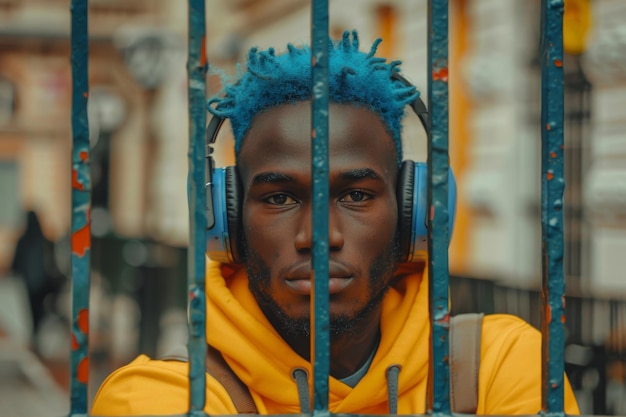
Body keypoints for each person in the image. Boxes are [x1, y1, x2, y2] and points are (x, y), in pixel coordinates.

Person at [92, 31, 579, 415]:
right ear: (226, 219)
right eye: (279, 197)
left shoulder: (501, 366)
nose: (318, 236)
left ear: (416, 215)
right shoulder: (159, 397)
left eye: (357, 195)